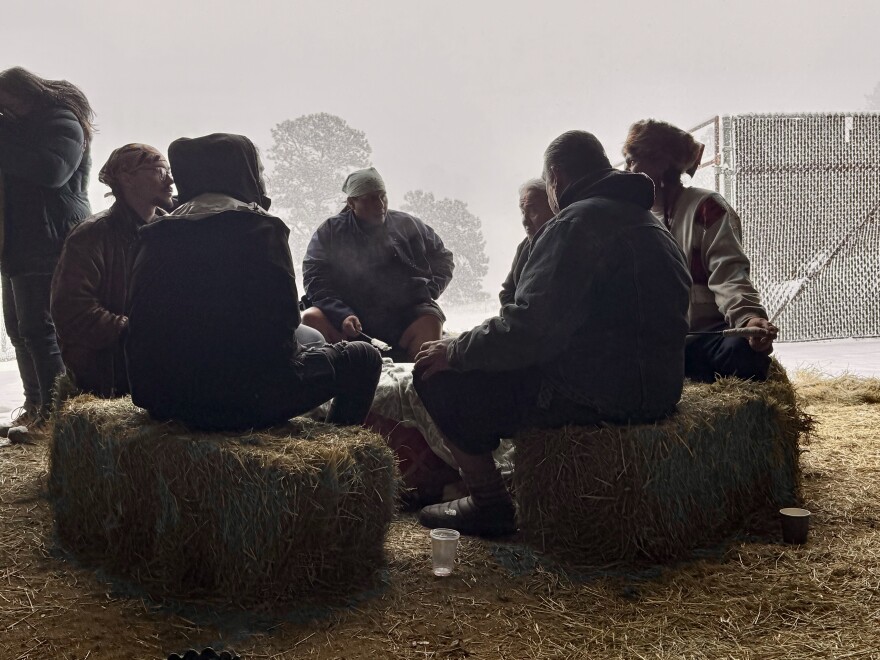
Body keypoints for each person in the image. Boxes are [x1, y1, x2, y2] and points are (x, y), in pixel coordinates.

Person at [412, 130, 691, 536]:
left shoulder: (574, 223)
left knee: (433, 373)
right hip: (662, 392)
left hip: (597, 395)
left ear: (556, 178)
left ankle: (488, 503)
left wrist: (454, 350)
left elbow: (529, 330)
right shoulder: (652, 225)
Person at [124, 133, 382, 431]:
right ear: (243, 174)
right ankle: (340, 459)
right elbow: (282, 328)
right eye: (258, 172)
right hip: (244, 401)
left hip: (163, 398)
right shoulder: (261, 230)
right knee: (363, 357)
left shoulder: (153, 235)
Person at [622, 119, 777, 382]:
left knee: (742, 353)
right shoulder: (631, 218)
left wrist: (748, 319)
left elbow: (729, 276)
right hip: (654, 345)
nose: (626, 170)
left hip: (705, 338)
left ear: (660, 162)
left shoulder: (706, 207)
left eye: (631, 160)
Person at [0, 67, 94, 438]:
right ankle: (36, 407)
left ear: (20, 93)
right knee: (19, 331)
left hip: (48, 237)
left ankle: (55, 417)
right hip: (19, 239)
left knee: (41, 330)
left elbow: (52, 170)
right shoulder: (17, 126)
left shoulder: (62, 119)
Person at [50, 144, 175, 397]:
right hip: (112, 377)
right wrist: (135, 330)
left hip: (161, 366)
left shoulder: (172, 230)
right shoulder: (91, 236)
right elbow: (73, 312)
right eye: (160, 172)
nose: (171, 180)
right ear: (127, 179)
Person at [301, 167, 454, 361]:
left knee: (430, 321)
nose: (380, 204)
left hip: (403, 316)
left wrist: (428, 291)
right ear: (351, 203)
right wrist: (341, 315)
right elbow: (315, 278)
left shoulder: (409, 225)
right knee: (311, 318)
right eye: (371, 198)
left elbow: (443, 258)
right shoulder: (330, 231)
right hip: (350, 322)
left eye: (383, 196)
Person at [499, 178, 556, 307]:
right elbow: (506, 293)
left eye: (533, 210)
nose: (525, 220)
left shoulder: (561, 246)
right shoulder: (524, 247)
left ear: (552, 208)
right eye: (523, 212)